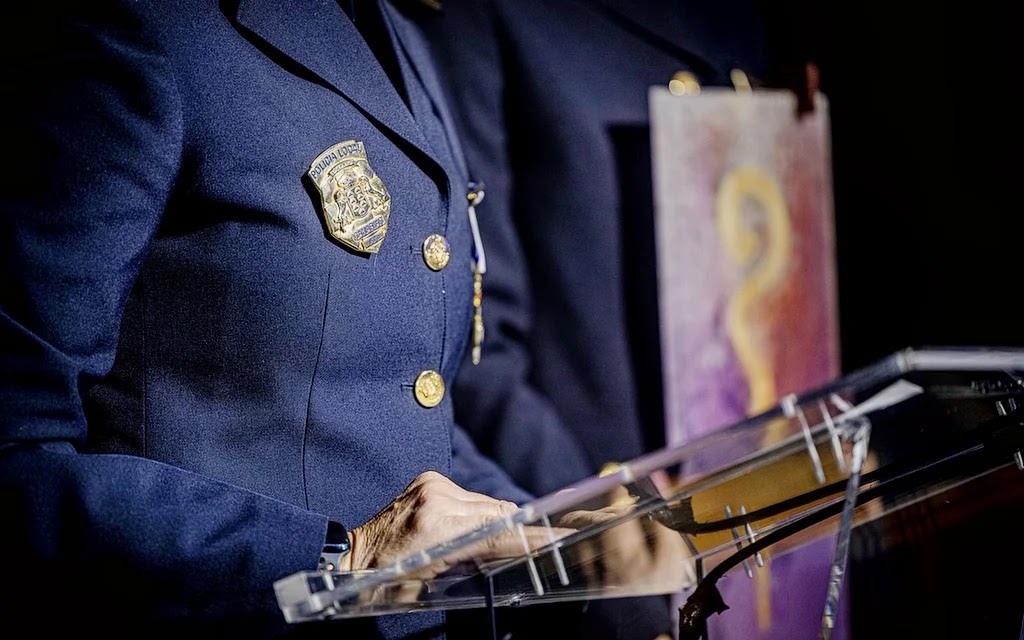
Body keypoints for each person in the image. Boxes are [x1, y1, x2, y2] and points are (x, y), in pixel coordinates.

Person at [0, 0, 560, 636]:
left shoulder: (396, 34)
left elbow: (395, 412)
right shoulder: (143, 28)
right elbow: (17, 448)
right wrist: (341, 561)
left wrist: (568, 535)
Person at [422, 2, 855, 639]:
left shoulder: (735, 22)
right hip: (621, 560)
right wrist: (613, 537)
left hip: (780, 547)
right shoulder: (488, 21)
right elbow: (483, 356)